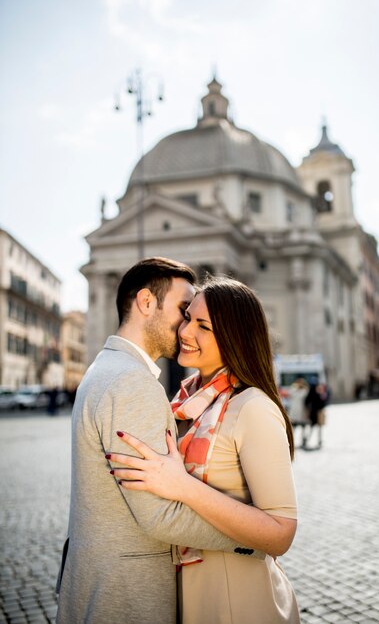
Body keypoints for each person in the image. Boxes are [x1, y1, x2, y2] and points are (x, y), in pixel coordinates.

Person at [56, 258, 263, 624]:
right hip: (127, 594)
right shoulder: (131, 382)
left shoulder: (104, 369)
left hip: (100, 580)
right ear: (146, 303)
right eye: (184, 310)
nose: (186, 327)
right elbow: (160, 516)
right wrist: (250, 538)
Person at [108, 276, 300, 624]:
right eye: (187, 317)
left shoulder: (252, 407)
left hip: (237, 601)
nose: (184, 331)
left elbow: (281, 533)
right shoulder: (185, 403)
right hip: (186, 595)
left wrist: (182, 485)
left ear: (234, 336)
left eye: (203, 326)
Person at [304, 381, 328, 449]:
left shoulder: (313, 394)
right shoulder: (316, 394)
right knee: (315, 428)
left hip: (314, 413)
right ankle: (311, 440)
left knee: (314, 428)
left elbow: (306, 403)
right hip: (315, 414)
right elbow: (323, 404)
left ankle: (311, 440)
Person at [288, 377, 310, 448]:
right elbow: (291, 392)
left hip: (302, 414)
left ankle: (303, 442)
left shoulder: (304, 391)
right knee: (293, 429)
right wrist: (295, 386)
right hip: (294, 414)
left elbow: (302, 394)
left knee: (303, 429)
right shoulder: (294, 390)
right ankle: (291, 442)